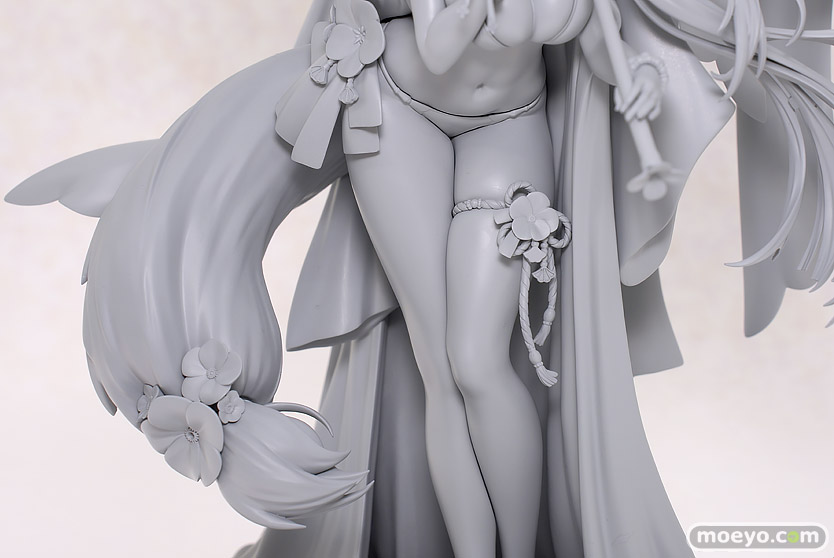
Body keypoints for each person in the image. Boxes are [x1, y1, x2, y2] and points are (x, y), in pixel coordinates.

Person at [6, 1, 834, 557]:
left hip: (509, 128)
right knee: (439, 363)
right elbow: (437, 44)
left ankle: (517, 549)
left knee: (480, 362)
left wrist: (641, 80)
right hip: (396, 114)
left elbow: (602, 47)